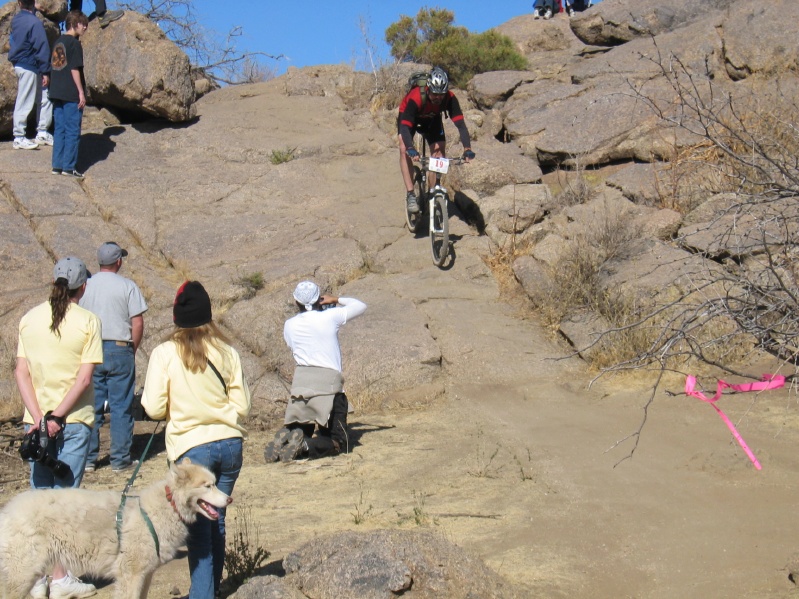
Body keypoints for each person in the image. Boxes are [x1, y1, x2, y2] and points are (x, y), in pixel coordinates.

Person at [141, 281, 251, 599]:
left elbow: (152, 407)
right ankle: (211, 589)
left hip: (191, 449)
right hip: (230, 444)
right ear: (208, 314)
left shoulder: (164, 353)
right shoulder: (227, 351)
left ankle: (203, 595)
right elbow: (242, 405)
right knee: (215, 519)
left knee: (199, 531)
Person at [15, 256, 102, 599]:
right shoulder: (88, 321)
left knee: (40, 499)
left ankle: (39, 578)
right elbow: (84, 378)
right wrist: (57, 418)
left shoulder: (29, 319)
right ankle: (61, 578)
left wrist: (38, 418)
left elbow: (21, 373)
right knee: (65, 501)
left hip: (34, 423)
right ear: (84, 286)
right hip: (74, 420)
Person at [264, 281, 367, 463]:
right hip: (328, 384)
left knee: (302, 424)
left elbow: (292, 345)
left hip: (301, 383)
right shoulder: (330, 317)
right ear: (319, 299)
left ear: (296, 302)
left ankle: (287, 440)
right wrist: (335, 298)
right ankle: (304, 446)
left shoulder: (289, 325)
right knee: (338, 440)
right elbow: (360, 306)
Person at [79, 241, 148, 473]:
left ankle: (88, 460)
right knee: (121, 407)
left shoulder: (85, 286)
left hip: (91, 348)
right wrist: (131, 349)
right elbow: (137, 323)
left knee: (91, 406)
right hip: (120, 347)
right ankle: (120, 460)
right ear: (118, 261)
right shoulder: (128, 286)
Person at [398, 66, 475, 214]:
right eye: (435, 95)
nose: (438, 98)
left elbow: (461, 126)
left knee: (439, 152)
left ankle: (433, 193)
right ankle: (410, 194)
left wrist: (467, 149)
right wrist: (410, 147)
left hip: (432, 120)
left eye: (441, 95)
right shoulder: (415, 97)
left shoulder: (450, 98)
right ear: (428, 89)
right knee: (403, 148)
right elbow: (405, 128)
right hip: (410, 119)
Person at [8, 0, 53, 150]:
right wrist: (45, 70)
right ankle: (19, 136)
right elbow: (41, 47)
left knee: (44, 96)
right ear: (33, 3)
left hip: (21, 63)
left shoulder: (17, 20)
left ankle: (41, 133)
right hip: (30, 64)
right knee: (27, 99)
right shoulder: (35, 23)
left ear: (20, 3)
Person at [49, 10, 88, 179]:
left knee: (59, 129)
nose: (85, 27)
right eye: (82, 23)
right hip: (70, 93)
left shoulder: (58, 41)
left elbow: (56, 67)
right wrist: (81, 92)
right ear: (74, 24)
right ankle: (69, 167)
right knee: (72, 130)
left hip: (56, 91)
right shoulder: (74, 43)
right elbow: (74, 68)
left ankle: (57, 165)